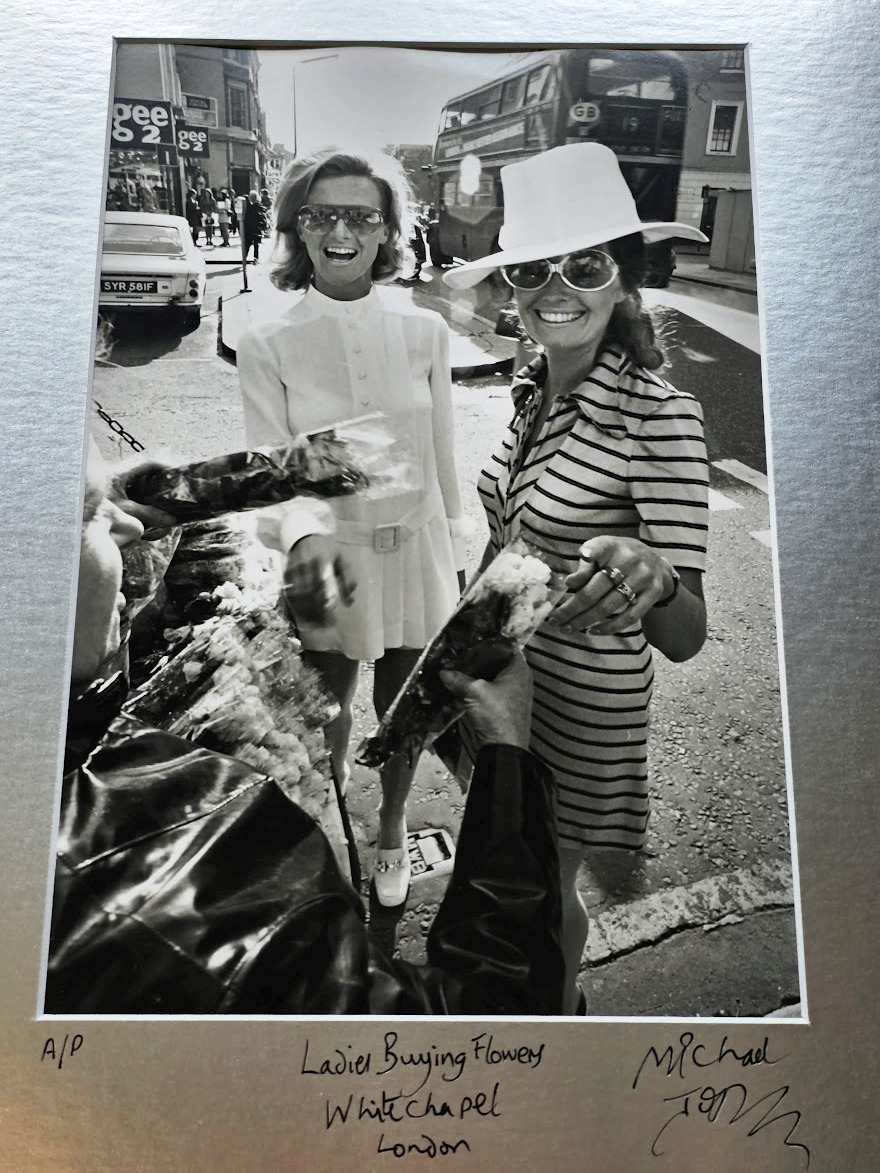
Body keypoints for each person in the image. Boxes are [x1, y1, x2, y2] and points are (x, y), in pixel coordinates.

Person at [45, 452, 564, 1016]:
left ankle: (391, 825)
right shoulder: (184, 862)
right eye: (93, 515)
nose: (132, 528)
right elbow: (494, 1020)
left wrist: (98, 502)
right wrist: (507, 752)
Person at [444, 143, 711, 1013]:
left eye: (585, 265)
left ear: (622, 279)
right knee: (513, 865)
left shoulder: (660, 414)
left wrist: (657, 576)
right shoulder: (532, 390)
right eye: (530, 269)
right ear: (511, 288)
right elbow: (509, 535)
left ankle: (550, 1038)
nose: (555, 287)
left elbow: (686, 634)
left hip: (585, 704)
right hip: (507, 685)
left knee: (538, 889)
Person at [236, 148, 469, 908]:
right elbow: (275, 468)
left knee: (406, 714)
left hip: (418, 550)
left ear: (387, 229)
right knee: (324, 720)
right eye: (322, 214)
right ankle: (332, 830)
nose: (342, 231)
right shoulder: (267, 340)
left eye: (361, 215)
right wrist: (303, 542)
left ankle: (395, 830)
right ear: (297, 228)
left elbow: (443, 456)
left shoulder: (426, 330)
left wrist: (456, 549)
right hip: (332, 561)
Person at [242, 190, 266, 263]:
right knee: (247, 244)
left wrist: (263, 226)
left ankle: (256, 258)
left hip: (256, 227)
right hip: (248, 228)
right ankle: (244, 258)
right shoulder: (246, 205)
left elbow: (262, 217)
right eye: (251, 196)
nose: (252, 198)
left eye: (254, 197)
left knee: (256, 244)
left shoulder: (258, 205)